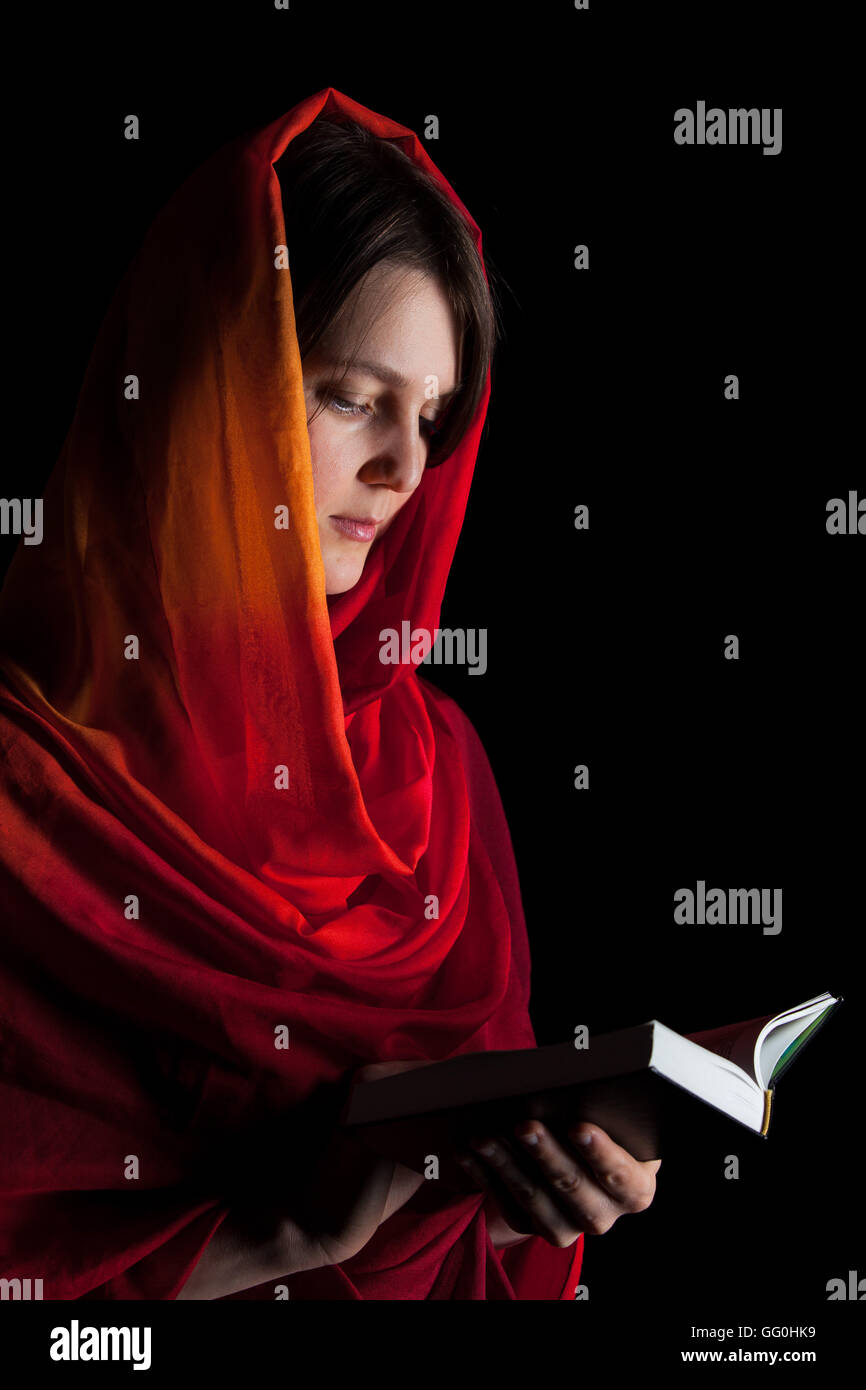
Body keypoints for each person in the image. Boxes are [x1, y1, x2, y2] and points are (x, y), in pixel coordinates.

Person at [0, 88, 658, 1301]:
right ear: (212, 382)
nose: (406, 466)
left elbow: (454, 1250)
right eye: (353, 395)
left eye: (433, 416)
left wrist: (541, 1202)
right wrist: (279, 1237)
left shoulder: (434, 779)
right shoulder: (18, 786)